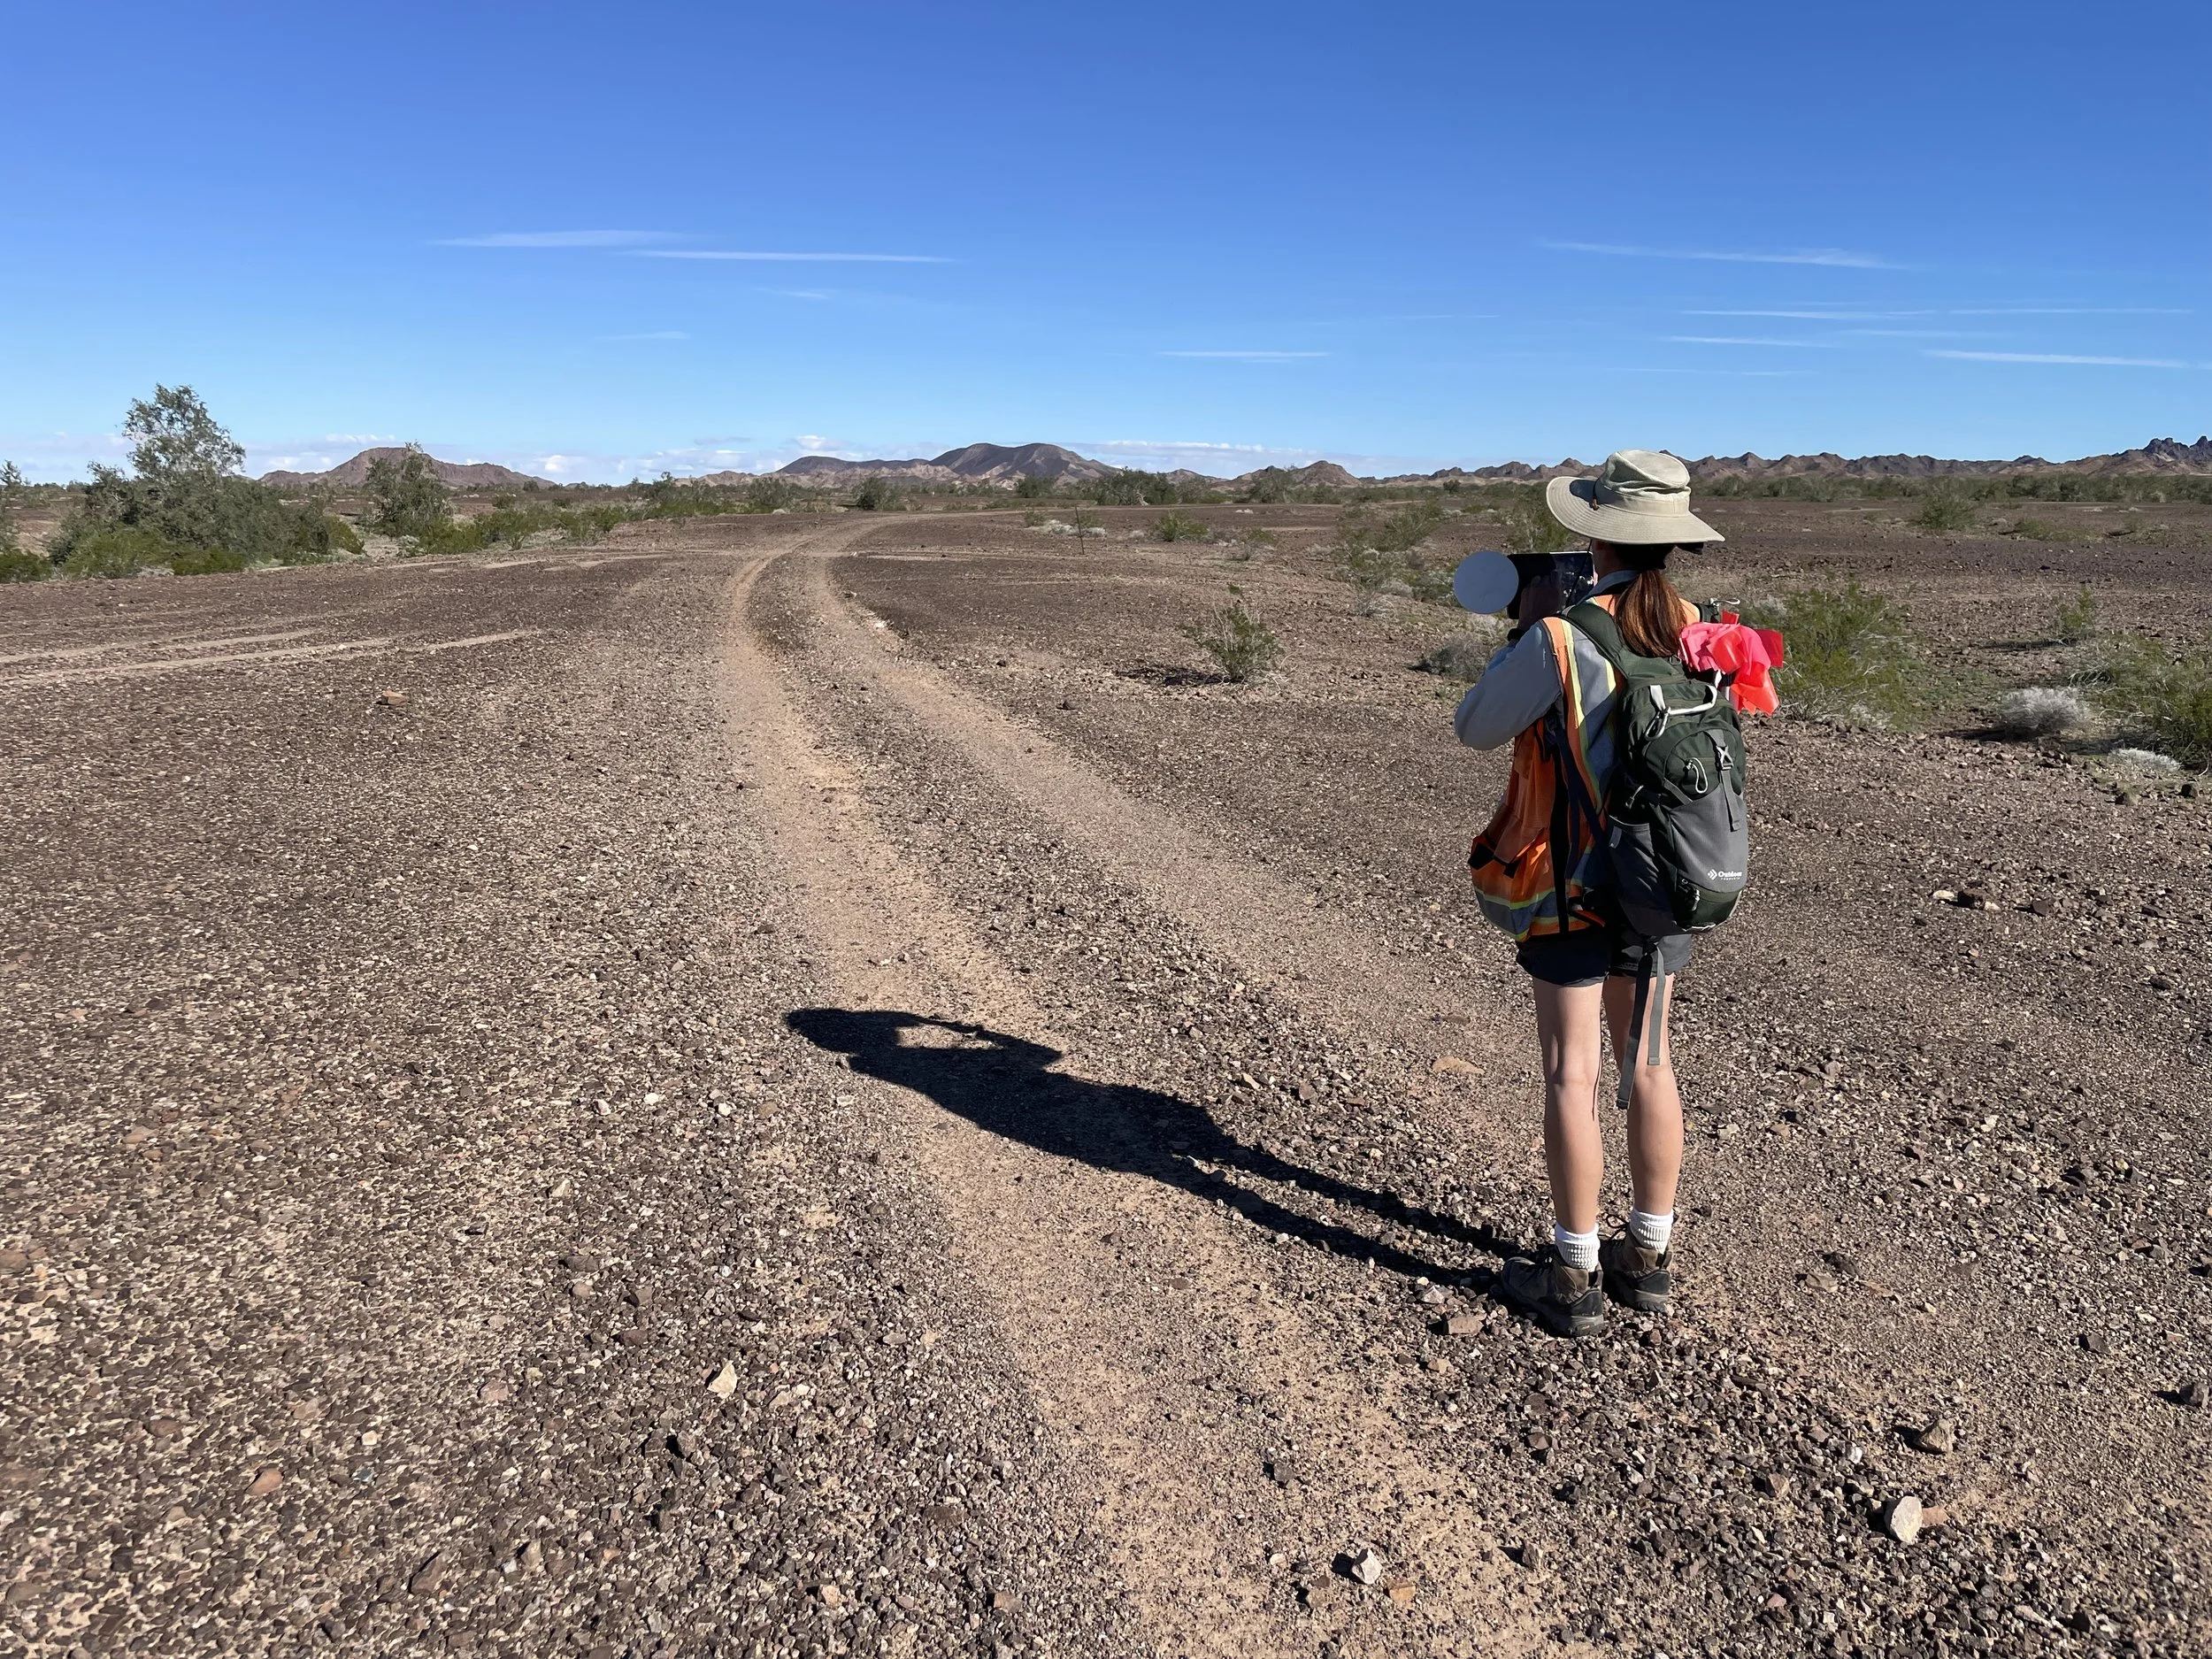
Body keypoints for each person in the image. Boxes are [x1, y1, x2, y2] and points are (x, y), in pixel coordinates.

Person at [1454, 449, 1724, 1337]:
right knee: (1647, 1064)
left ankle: (1571, 1274)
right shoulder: (1704, 630)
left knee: (1570, 1072)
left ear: (1592, 533)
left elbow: (1475, 727)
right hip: (1663, 879)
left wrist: (1534, 630)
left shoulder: (1564, 635)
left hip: (1567, 884)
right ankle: (1647, 1257)